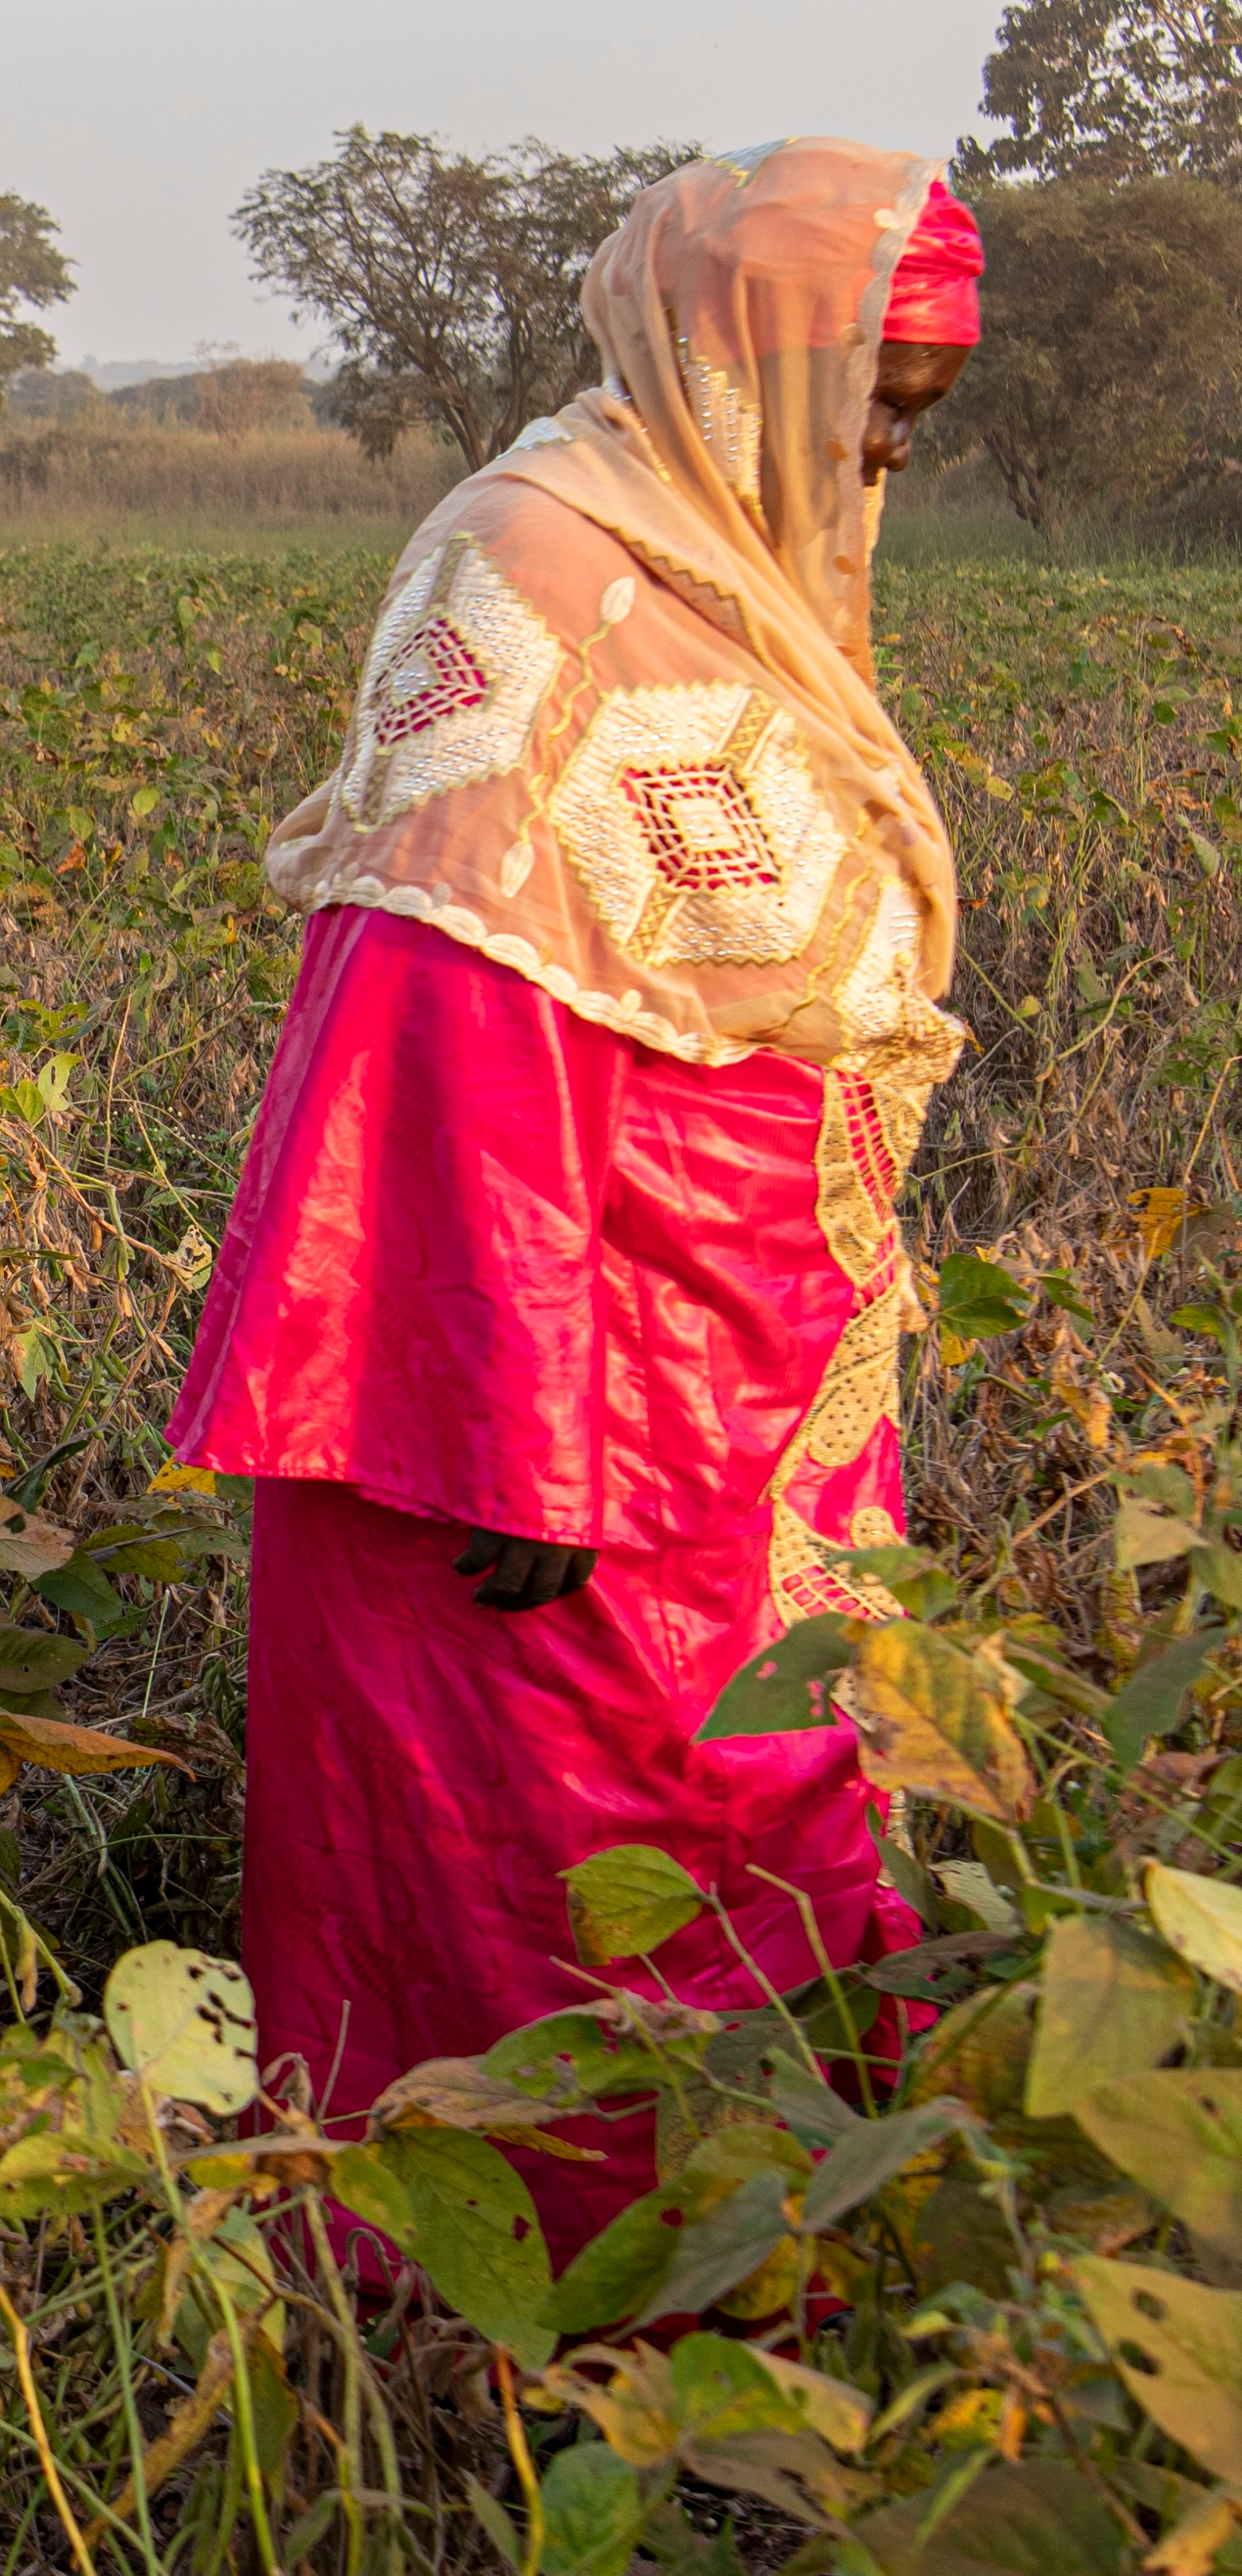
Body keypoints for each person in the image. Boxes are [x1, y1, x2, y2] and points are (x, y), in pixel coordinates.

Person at [166, 140, 983, 2262]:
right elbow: (440, 1015)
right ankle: (536, 2294)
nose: (892, 443)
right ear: (741, 345)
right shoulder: (527, 565)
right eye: (874, 391)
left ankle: (777, 2252)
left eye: (921, 406)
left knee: (777, 1777)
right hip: (560, 1394)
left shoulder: (725, 562)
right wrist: (504, 1433)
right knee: (556, 1836)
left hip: (746, 1365)